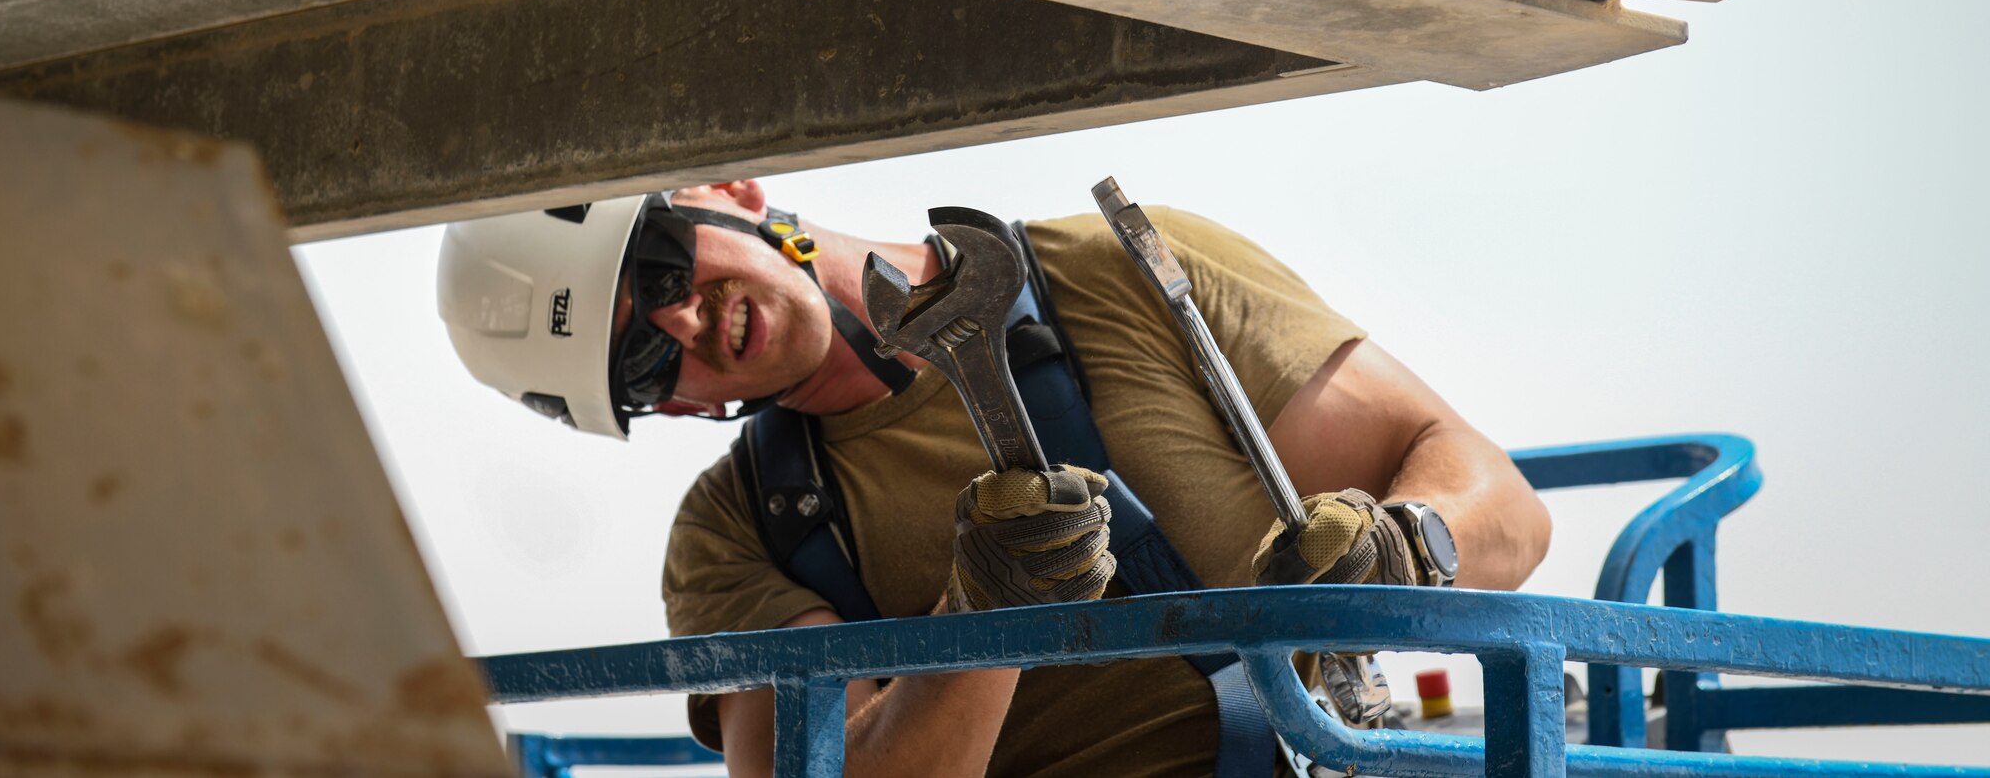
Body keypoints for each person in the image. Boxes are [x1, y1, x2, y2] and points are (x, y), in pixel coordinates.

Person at [437, 181, 1551, 777]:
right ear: (664, 409)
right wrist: (985, 619)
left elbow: (1500, 507)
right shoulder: (742, 531)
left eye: (661, 266)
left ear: (724, 187)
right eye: (644, 356)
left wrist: (1408, 544)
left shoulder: (1116, 278)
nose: (687, 320)